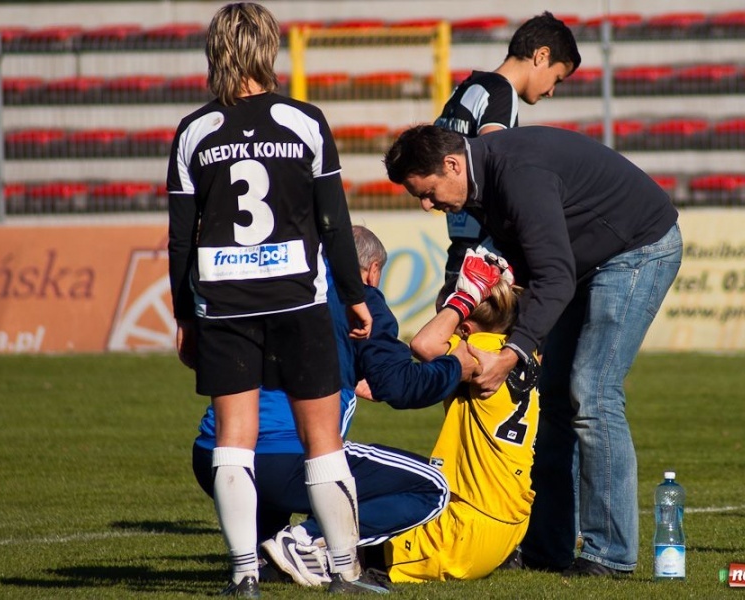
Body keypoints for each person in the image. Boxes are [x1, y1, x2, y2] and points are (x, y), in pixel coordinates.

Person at [383, 124, 683, 578]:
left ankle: (611, 555)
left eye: (426, 193)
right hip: (587, 260)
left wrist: (512, 353)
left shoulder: (518, 175)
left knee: (593, 394)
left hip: (637, 249)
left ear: (451, 165)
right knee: (554, 398)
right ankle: (548, 546)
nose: (427, 206)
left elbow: (555, 275)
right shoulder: (485, 180)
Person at [167, 4, 373, 596]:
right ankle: (343, 573)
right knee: (323, 439)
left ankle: (244, 575)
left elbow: (182, 237)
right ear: (269, 50)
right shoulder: (305, 121)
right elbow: (335, 223)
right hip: (297, 300)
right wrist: (354, 297)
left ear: (216, 52)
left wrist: (185, 315)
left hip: (225, 303)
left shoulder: (194, 131)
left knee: (235, 436)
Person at [194, 227, 475, 592]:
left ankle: (262, 558)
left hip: (212, 455)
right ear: (373, 271)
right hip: (285, 458)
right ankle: (305, 540)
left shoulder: (274, 282)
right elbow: (401, 386)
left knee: (286, 459)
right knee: (432, 487)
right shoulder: (360, 297)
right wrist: (456, 367)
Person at [272, 251, 539, 584]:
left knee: (355, 489)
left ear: (466, 326)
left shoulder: (478, 347)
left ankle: (302, 543)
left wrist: (462, 299)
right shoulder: (519, 351)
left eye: (447, 317)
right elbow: (435, 377)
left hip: (463, 531)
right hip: (509, 524)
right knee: (390, 479)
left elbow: (425, 345)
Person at [434, 11, 581, 282]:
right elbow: (496, 165)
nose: (551, 91)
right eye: (557, 78)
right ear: (541, 56)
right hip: (484, 252)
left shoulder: (465, 89)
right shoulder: (502, 93)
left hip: (459, 247)